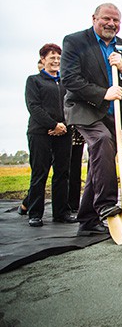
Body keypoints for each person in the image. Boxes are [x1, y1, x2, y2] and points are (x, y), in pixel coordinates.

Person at [61, 3, 122, 235]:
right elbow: (69, 78)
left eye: (116, 20)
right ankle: (106, 203)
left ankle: (87, 219)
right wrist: (102, 93)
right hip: (84, 107)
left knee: (101, 162)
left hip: (112, 112)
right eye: (106, 19)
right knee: (101, 141)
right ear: (94, 18)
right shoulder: (75, 41)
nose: (111, 24)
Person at [22, 44, 75, 227]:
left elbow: (72, 105)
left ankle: (61, 212)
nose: (56, 61)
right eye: (52, 57)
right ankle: (35, 213)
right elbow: (34, 107)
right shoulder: (34, 81)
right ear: (43, 60)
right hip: (40, 133)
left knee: (62, 173)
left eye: (59, 58)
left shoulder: (66, 82)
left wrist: (64, 126)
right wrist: (53, 125)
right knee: (40, 172)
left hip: (64, 132)